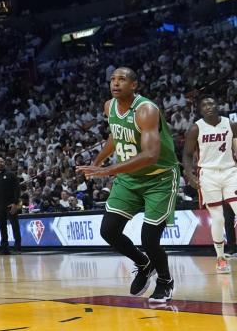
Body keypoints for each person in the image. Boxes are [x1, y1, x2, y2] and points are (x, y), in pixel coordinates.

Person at [78, 67, 179, 303]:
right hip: (130, 179)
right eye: (112, 79)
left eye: (122, 79)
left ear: (133, 85)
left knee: (150, 239)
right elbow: (116, 134)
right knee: (109, 230)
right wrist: (97, 161)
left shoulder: (146, 110)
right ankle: (144, 263)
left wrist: (107, 170)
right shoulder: (109, 106)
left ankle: (165, 280)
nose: (115, 83)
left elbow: (151, 154)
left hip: (159, 178)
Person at [182, 96, 237, 274]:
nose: (208, 107)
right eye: (204, 105)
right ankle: (220, 258)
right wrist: (189, 175)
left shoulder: (231, 124)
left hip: (230, 171)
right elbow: (188, 155)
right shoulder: (195, 129)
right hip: (208, 174)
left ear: (218, 105)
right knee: (219, 218)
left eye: (211, 103)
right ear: (200, 110)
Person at [0, 157, 21, 254]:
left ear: (4, 163)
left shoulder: (10, 174)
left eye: (2, 162)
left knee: (15, 226)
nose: (0, 163)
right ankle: (5, 248)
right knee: (2, 228)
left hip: (10, 205)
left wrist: (15, 203)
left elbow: (17, 189)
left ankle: (17, 248)